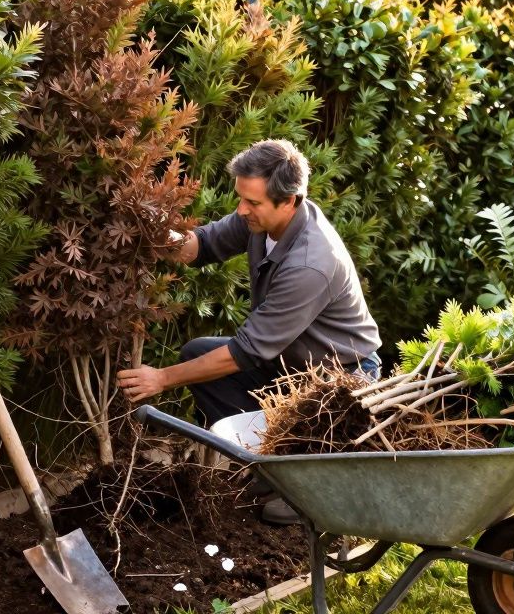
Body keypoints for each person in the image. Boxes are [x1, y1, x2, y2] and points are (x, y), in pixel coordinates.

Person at [117, 140, 381, 522]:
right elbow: (202, 245)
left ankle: (305, 487)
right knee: (197, 354)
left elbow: (246, 352)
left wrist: (161, 378)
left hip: (338, 381)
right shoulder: (262, 221)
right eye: (241, 198)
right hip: (291, 364)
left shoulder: (311, 263)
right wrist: (155, 234)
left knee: (211, 367)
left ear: (289, 200)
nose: (242, 210)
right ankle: (273, 468)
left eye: (252, 203)